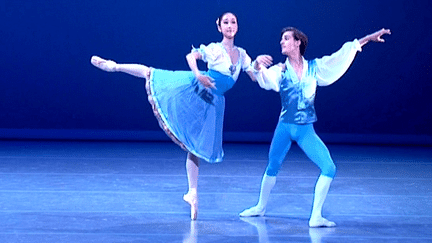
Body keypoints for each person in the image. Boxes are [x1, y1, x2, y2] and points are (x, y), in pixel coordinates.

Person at [91, 12, 257, 220]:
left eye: (233, 22)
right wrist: (198, 74)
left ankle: (193, 193)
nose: (230, 25)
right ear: (219, 27)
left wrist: (260, 65)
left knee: (194, 147)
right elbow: (191, 56)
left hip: (213, 103)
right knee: (152, 73)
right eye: (226, 22)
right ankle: (114, 66)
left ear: (238, 26)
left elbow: (255, 75)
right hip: (195, 89)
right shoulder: (215, 49)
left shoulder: (242, 55)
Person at [239, 27, 391, 227]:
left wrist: (367, 39)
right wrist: (257, 65)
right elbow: (264, 79)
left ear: (297, 42)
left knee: (329, 167)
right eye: (281, 39)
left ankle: (316, 216)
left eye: (286, 39)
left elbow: (340, 56)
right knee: (272, 166)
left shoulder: (315, 67)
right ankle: (260, 207)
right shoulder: (280, 70)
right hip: (284, 127)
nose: (281, 42)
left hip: (305, 130)